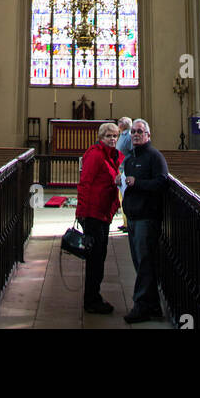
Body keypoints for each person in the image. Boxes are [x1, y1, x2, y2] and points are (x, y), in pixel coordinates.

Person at [121, 119, 168, 323]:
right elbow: (128, 185)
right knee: (140, 262)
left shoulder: (154, 157)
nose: (136, 134)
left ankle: (141, 305)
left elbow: (162, 181)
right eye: (133, 132)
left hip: (146, 218)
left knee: (144, 262)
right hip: (133, 217)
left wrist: (137, 183)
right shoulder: (131, 159)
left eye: (140, 131)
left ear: (148, 135)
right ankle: (154, 305)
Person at [74, 121, 121, 314]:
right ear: (100, 138)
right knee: (95, 258)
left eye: (115, 136)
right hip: (93, 214)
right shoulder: (95, 155)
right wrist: (82, 212)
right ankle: (92, 300)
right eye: (108, 136)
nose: (112, 139)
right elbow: (85, 183)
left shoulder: (111, 156)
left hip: (102, 214)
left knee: (99, 257)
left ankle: (94, 296)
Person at [116, 117, 133, 232]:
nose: (118, 124)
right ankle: (124, 222)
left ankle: (128, 223)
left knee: (125, 197)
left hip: (126, 169)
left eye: (120, 122)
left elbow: (131, 152)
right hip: (120, 169)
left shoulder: (129, 136)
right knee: (121, 197)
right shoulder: (121, 135)